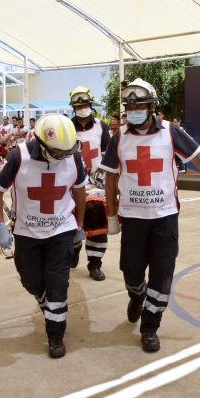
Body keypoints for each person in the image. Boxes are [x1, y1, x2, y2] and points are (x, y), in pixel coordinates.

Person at [100, 78, 200, 353]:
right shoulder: (119, 137)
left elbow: (198, 159)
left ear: (151, 106)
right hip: (133, 218)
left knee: (162, 277)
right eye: (129, 106)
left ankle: (150, 327)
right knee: (131, 272)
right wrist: (111, 216)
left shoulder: (171, 132)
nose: (133, 110)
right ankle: (137, 296)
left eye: (139, 105)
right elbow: (111, 179)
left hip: (165, 217)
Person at [0, 114, 87, 358]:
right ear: (41, 144)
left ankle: (56, 336)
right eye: (57, 153)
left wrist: (79, 226)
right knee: (31, 281)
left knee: (58, 284)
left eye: (67, 152)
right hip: (27, 234)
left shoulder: (72, 156)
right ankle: (49, 307)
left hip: (61, 231)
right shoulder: (17, 155)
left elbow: (79, 191)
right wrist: (0, 226)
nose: (62, 157)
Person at [69, 85, 111, 280]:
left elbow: (107, 156)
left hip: (97, 183)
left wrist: (101, 179)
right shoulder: (66, 128)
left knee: (98, 222)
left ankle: (95, 264)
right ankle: (74, 248)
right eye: (78, 106)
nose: (82, 109)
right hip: (72, 184)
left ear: (91, 105)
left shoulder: (102, 127)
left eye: (85, 105)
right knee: (71, 221)